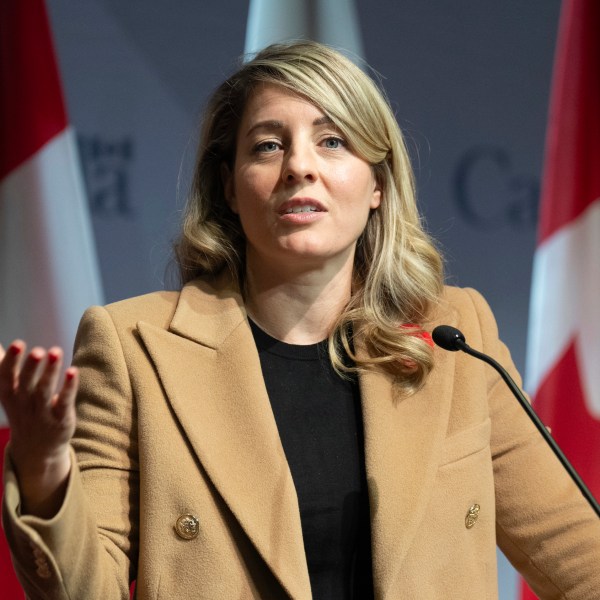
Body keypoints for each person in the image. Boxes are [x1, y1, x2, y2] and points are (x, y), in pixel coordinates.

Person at [1, 41, 599, 600]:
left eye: (332, 141)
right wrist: (46, 468)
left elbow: (577, 553)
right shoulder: (133, 349)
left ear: (378, 186)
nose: (299, 167)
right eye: (267, 145)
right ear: (230, 188)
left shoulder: (455, 336)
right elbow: (84, 591)